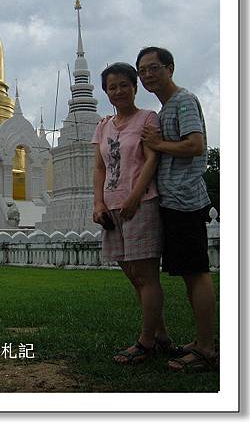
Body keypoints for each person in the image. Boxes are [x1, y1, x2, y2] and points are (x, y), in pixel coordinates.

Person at [136, 46, 218, 373]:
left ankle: (207, 349)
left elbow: (196, 145)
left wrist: (157, 145)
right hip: (172, 199)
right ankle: (201, 342)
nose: (147, 75)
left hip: (186, 199)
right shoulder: (166, 107)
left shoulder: (183, 101)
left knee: (196, 273)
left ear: (170, 68)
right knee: (188, 273)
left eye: (153, 68)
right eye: (142, 71)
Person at [92, 62, 172, 364]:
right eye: (112, 87)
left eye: (124, 85)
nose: (118, 91)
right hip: (111, 209)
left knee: (147, 275)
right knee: (132, 276)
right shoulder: (103, 126)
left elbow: (152, 160)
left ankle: (146, 341)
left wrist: (135, 197)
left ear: (134, 87)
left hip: (141, 203)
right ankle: (161, 334)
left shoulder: (147, 118)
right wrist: (98, 203)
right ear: (106, 93)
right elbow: (100, 167)